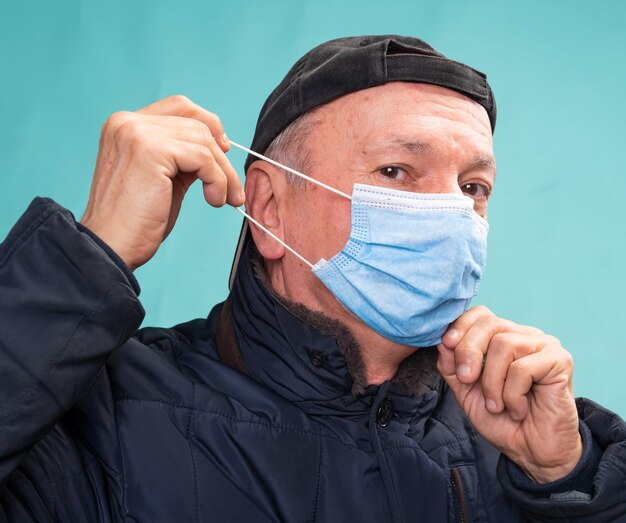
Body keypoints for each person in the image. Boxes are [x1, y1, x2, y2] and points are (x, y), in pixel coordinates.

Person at [0, 34, 624, 522]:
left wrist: (573, 483)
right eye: (397, 170)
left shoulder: (520, 446)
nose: (454, 213)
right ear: (269, 209)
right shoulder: (98, 420)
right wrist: (89, 255)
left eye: (473, 187)